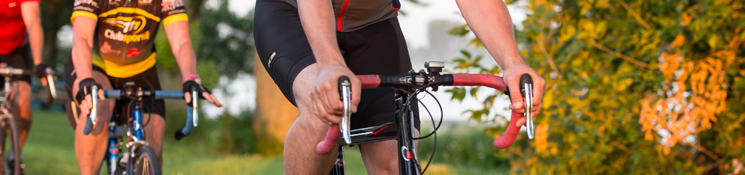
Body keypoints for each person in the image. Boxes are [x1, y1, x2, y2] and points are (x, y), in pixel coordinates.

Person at [253, 0, 546, 173]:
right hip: (293, 14)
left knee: (396, 158)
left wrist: (512, 62)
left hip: (373, 24)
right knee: (321, 113)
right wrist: (330, 62)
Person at [66, 0, 222, 174]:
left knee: (153, 148)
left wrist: (190, 78)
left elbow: (181, 41)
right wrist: (85, 80)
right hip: (95, 66)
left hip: (141, 70)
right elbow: (82, 38)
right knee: (99, 106)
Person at [0, 0, 47, 171]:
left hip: (16, 51)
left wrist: (38, 62)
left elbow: (33, 22)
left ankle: (15, 155)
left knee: (23, 103)